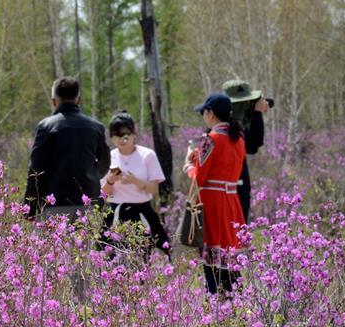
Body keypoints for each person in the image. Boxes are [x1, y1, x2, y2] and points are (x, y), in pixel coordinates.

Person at [184, 93, 246, 295]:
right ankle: (236, 304)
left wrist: (188, 166)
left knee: (212, 262)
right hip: (231, 201)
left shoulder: (210, 139)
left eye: (204, 112)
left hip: (213, 204)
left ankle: (217, 307)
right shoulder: (239, 139)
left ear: (210, 114)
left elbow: (198, 179)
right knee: (230, 262)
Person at [24, 77, 111, 220]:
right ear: (79, 100)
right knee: (84, 243)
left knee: (54, 243)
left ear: (54, 101)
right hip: (88, 203)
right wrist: (91, 176)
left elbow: (35, 169)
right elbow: (104, 163)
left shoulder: (46, 127)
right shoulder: (96, 127)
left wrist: (30, 207)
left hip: (53, 205)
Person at [99, 112, 171, 258]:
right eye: (116, 136)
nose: (121, 140)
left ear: (134, 134)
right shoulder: (109, 157)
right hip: (116, 213)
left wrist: (134, 181)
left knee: (143, 258)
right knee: (111, 259)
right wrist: (111, 180)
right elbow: (103, 194)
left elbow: (153, 189)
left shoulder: (147, 155)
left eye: (125, 135)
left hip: (142, 212)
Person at [222, 79, 270, 223]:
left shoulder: (224, 123)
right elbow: (253, 144)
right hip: (232, 183)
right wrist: (257, 114)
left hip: (234, 182)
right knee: (237, 224)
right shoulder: (227, 127)